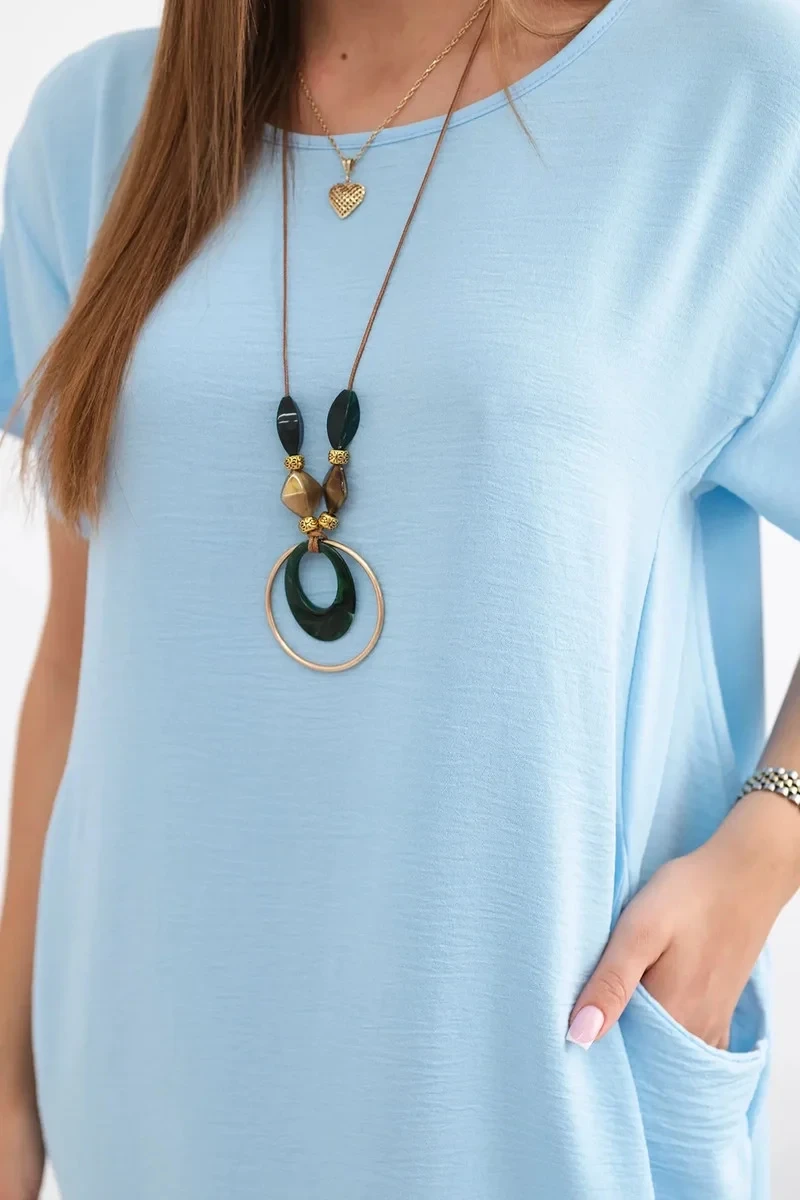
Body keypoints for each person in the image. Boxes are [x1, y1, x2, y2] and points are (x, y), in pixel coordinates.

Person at [1, 0, 800, 1196]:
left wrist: (766, 844)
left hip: (526, 1097)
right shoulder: (95, 127)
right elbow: (77, 657)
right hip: (151, 1094)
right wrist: (9, 1091)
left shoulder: (734, 94)